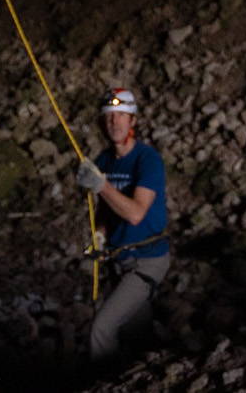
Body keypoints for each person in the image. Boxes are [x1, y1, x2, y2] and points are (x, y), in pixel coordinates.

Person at [73, 87, 170, 365]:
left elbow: (136, 213)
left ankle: (101, 383)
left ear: (133, 120)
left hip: (147, 261)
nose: (113, 122)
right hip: (120, 260)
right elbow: (106, 210)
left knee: (101, 328)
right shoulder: (104, 160)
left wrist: (101, 185)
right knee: (137, 331)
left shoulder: (147, 159)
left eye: (120, 115)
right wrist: (100, 236)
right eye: (108, 116)